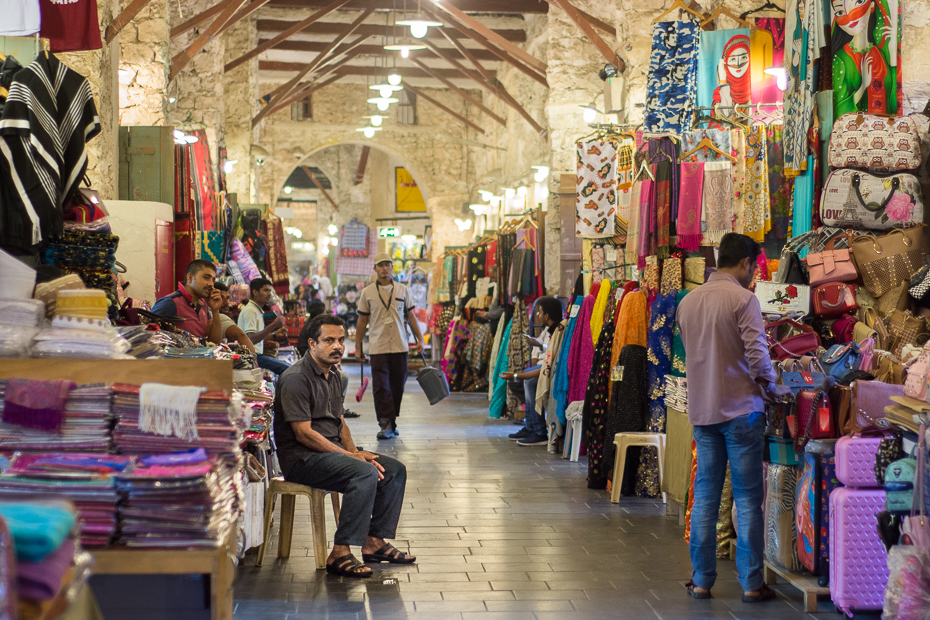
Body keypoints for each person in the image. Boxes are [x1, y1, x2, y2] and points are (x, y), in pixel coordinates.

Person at [676, 233, 791, 603]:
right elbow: (758, 358)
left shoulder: (688, 302)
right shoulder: (744, 300)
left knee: (706, 496)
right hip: (742, 412)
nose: (753, 273)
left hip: (704, 412)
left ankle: (701, 580)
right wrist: (773, 390)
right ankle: (751, 584)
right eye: (754, 265)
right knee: (746, 498)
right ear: (745, 263)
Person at [274, 314, 414, 577]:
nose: (338, 346)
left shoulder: (334, 375)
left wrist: (354, 452)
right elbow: (303, 434)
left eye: (341, 340)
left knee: (394, 470)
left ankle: (374, 541)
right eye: (329, 341)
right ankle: (339, 552)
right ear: (312, 344)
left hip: (331, 454)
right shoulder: (295, 378)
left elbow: (339, 423)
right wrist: (352, 459)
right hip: (303, 459)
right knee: (364, 472)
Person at [355, 253, 424, 440]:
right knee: (381, 386)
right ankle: (385, 422)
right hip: (378, 345)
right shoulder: (367, 292)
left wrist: (420, 339)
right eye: (380, 265)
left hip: (400, 345)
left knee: (397, 386)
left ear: (392, 267)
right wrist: (358, 346)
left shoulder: (402, 290)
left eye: (387, 265)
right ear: (375, 269)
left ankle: (392, 422)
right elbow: (362, 321)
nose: (384, 268)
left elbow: (411, 316)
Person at [498, 296, 563, 446]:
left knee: (530, 382)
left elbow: (546, 367)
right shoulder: (550, 330)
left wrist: (516, 375)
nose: (538, 316)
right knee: (521, 381)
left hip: (553, 373)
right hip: (546, 368)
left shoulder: (559, 332)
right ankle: (530, 426)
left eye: (540, 312)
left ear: (547, 316)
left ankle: (539, 432)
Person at [152, 259, 224, 344]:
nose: (211, 284)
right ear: (190, 277)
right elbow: (145, 336)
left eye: (213, 280)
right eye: (206, 278)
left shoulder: (202, 305)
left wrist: (215, 310)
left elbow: (214, 343)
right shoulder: (170, 303)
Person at [238, 277, 289, 375]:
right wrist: (273, 325)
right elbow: (251, 339)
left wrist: (274, 334)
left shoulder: (256, 310)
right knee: (288, 368)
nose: (269, 294)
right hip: (252, 357)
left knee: (287, 365)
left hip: (257, 355)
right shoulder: (251, 311)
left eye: (270, 291)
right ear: (255, 292)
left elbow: (258, 338)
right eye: (266, 290)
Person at [209, 281, 254, 352]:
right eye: (220, 298)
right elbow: (241, 336)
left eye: (227, 298)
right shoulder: (219, 317)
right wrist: (254, 362)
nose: (226, 302)